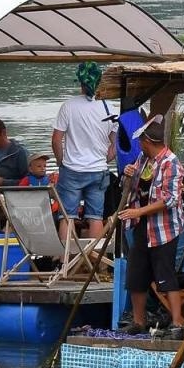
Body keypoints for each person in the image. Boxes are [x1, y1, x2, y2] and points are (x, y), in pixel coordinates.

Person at [117, 118, 184, 336]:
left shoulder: (170, 162)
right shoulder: (143, 159)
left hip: (164, 229)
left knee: (165, 274)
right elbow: (131, 188)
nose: (139, 146)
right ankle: (139, 321)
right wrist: (127, 174)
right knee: (136, 274)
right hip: (141, 226)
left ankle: (177, 321)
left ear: (148, 141)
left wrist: (139, 211)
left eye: (141, 142)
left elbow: (170, 199)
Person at [52, 62, 115, 241]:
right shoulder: (109, 108)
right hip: (98, 171)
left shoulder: (68, 106)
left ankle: (65, 262)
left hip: (72, 170)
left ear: (80, 83)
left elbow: (56, 140)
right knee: (95, 216)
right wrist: (105, 159)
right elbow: (116, 145)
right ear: (100, 82)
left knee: (67, 216)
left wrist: (60, 162)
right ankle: (96, 263)